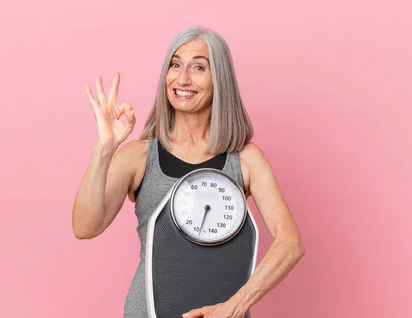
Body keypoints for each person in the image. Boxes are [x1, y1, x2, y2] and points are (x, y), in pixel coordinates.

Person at [72, 26, 305, 318]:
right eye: (175, 64)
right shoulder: (140, 156)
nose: (182, 79)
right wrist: (105, 148)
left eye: (198, 67)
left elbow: (290, 243)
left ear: (219, 79)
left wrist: (234, 307)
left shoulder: (246, 159)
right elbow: (84, 227)